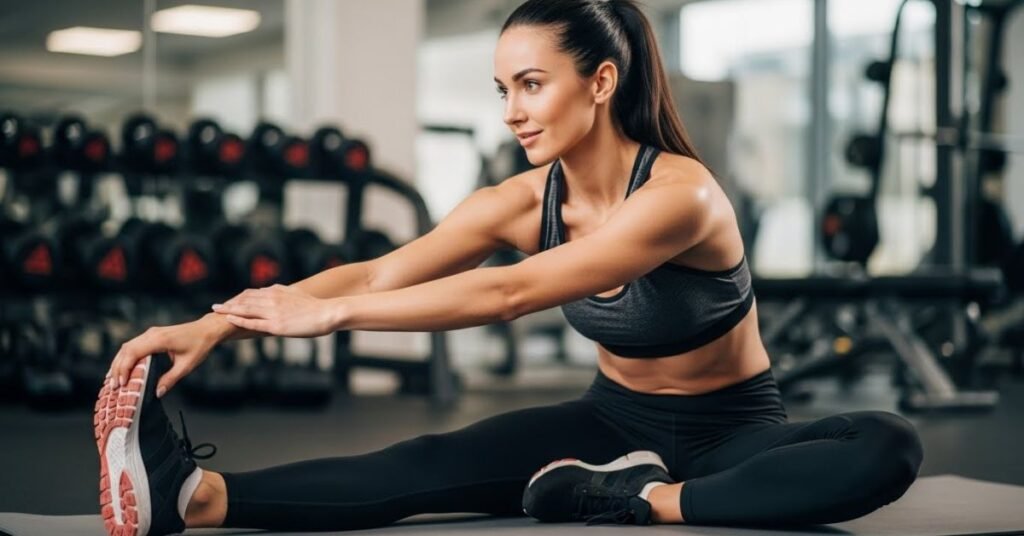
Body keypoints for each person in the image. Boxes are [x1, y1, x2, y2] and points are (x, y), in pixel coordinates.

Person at [94, 1, 924, 535]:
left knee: (885, 444)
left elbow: (511, 290)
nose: (513, 110)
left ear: (601, 82)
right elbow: (382, 273)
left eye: (532, 84)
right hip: (611, 426)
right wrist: (211, 325)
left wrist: (331, 319)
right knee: (423, 463)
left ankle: (642, 502)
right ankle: (197, 498)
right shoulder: (522, 201)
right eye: (502, 88)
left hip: (733, 432)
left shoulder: (682, 196)